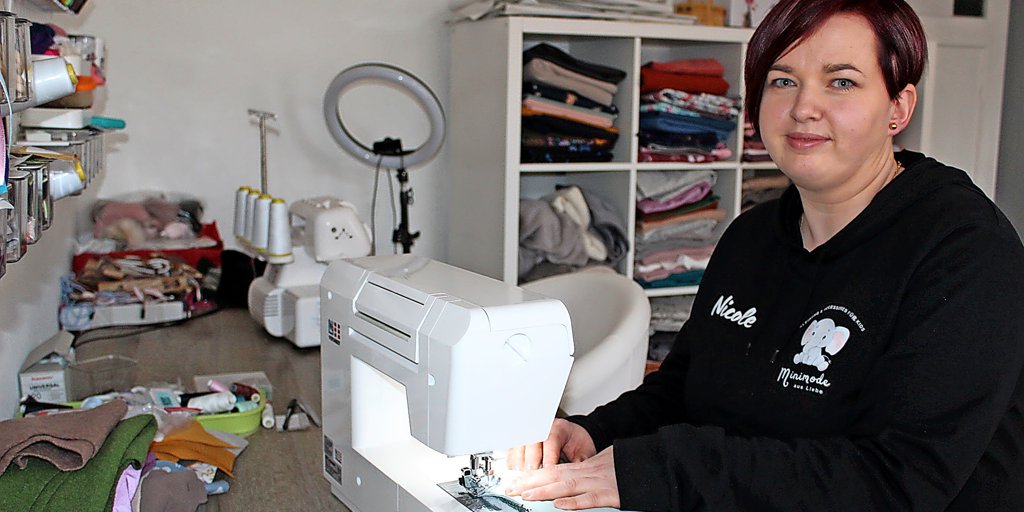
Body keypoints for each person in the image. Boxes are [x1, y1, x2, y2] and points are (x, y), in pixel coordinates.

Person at [504, 1, 1024, 510]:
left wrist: (660, 471)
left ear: (898, 108)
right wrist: (593, 433)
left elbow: (899, 480)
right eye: (782, 80)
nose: (803, 107)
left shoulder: (966, 252)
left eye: (842, 82)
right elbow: (686, 388)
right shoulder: (751, 237)